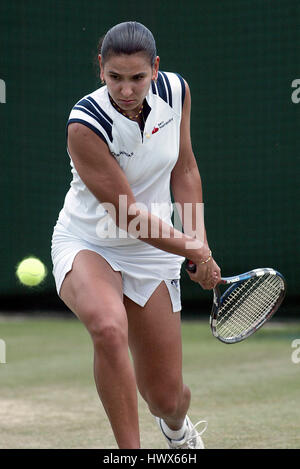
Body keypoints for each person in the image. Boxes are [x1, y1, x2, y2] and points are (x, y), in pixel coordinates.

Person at [51, 21, 221, 449]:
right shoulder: (84, 125)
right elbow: (127, 215)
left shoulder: (177, 92)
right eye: (115, 78)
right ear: (100, 69)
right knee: (108, 328)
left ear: (155, 69)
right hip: (90, 241)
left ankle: (176, 429)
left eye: (137, 78)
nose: (126, 90)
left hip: (153, 253)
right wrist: (191, 247)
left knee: (166, 398)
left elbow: (184, 168)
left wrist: (199, 242)